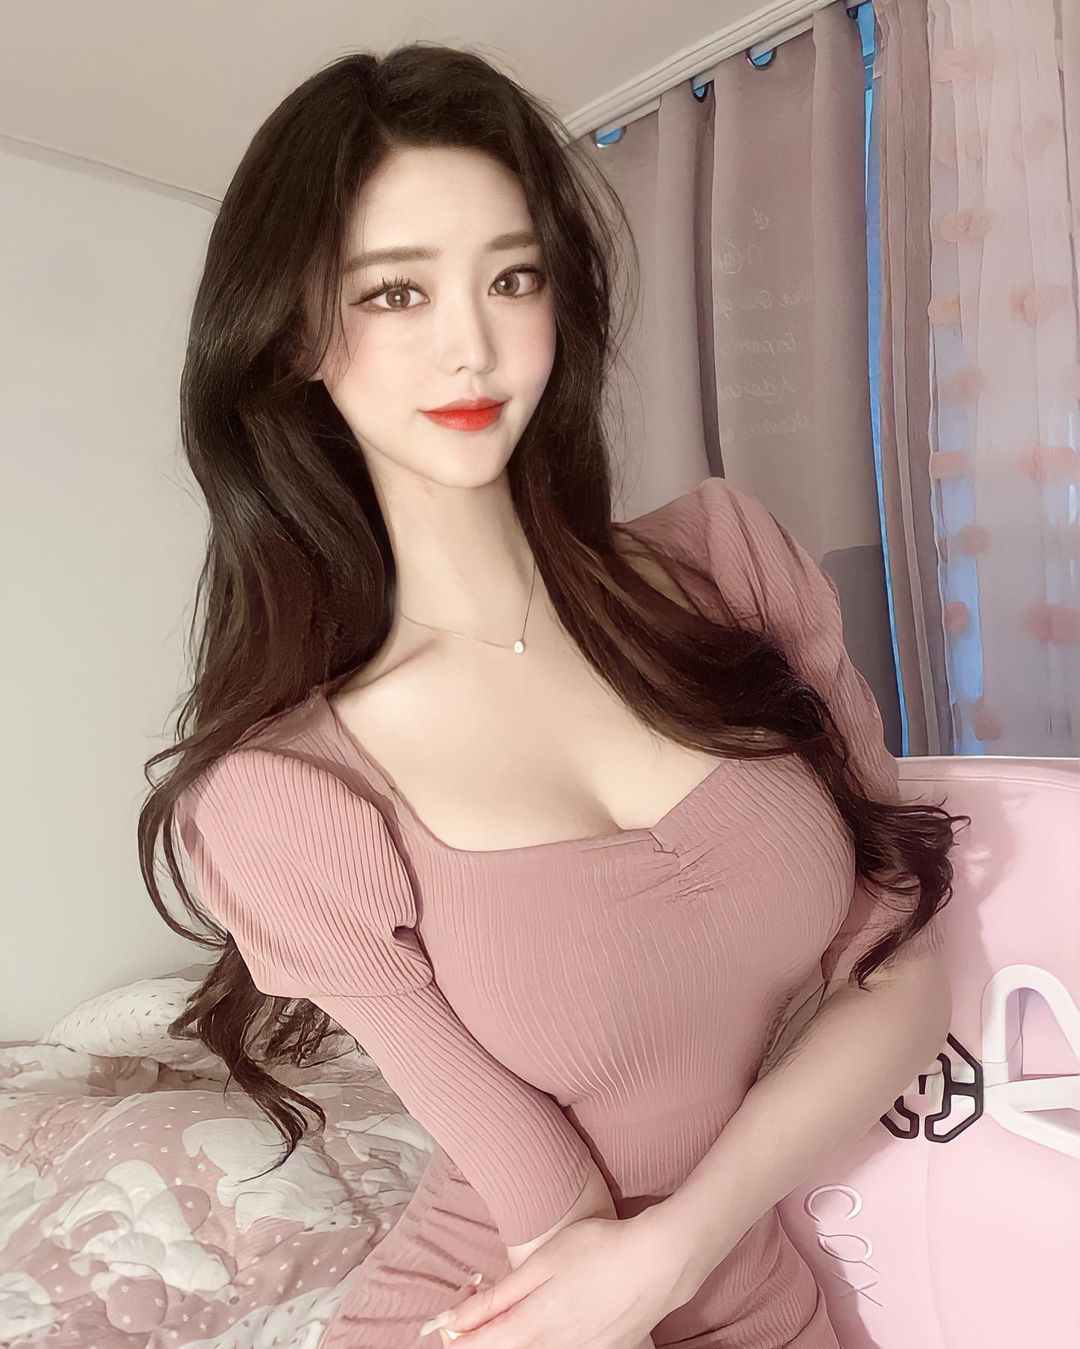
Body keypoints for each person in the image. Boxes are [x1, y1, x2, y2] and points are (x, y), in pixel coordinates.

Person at [141, 43, 960, 1348]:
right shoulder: (291, 794)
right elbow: (553, 1223)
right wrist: (649, 1276)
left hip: (717, 1273)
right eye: (396, 292)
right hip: (512, 1303)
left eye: (511, 277)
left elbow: (899, 971)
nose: (471, 345)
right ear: (296, 337)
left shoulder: (726, 565)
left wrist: (680, 1247)